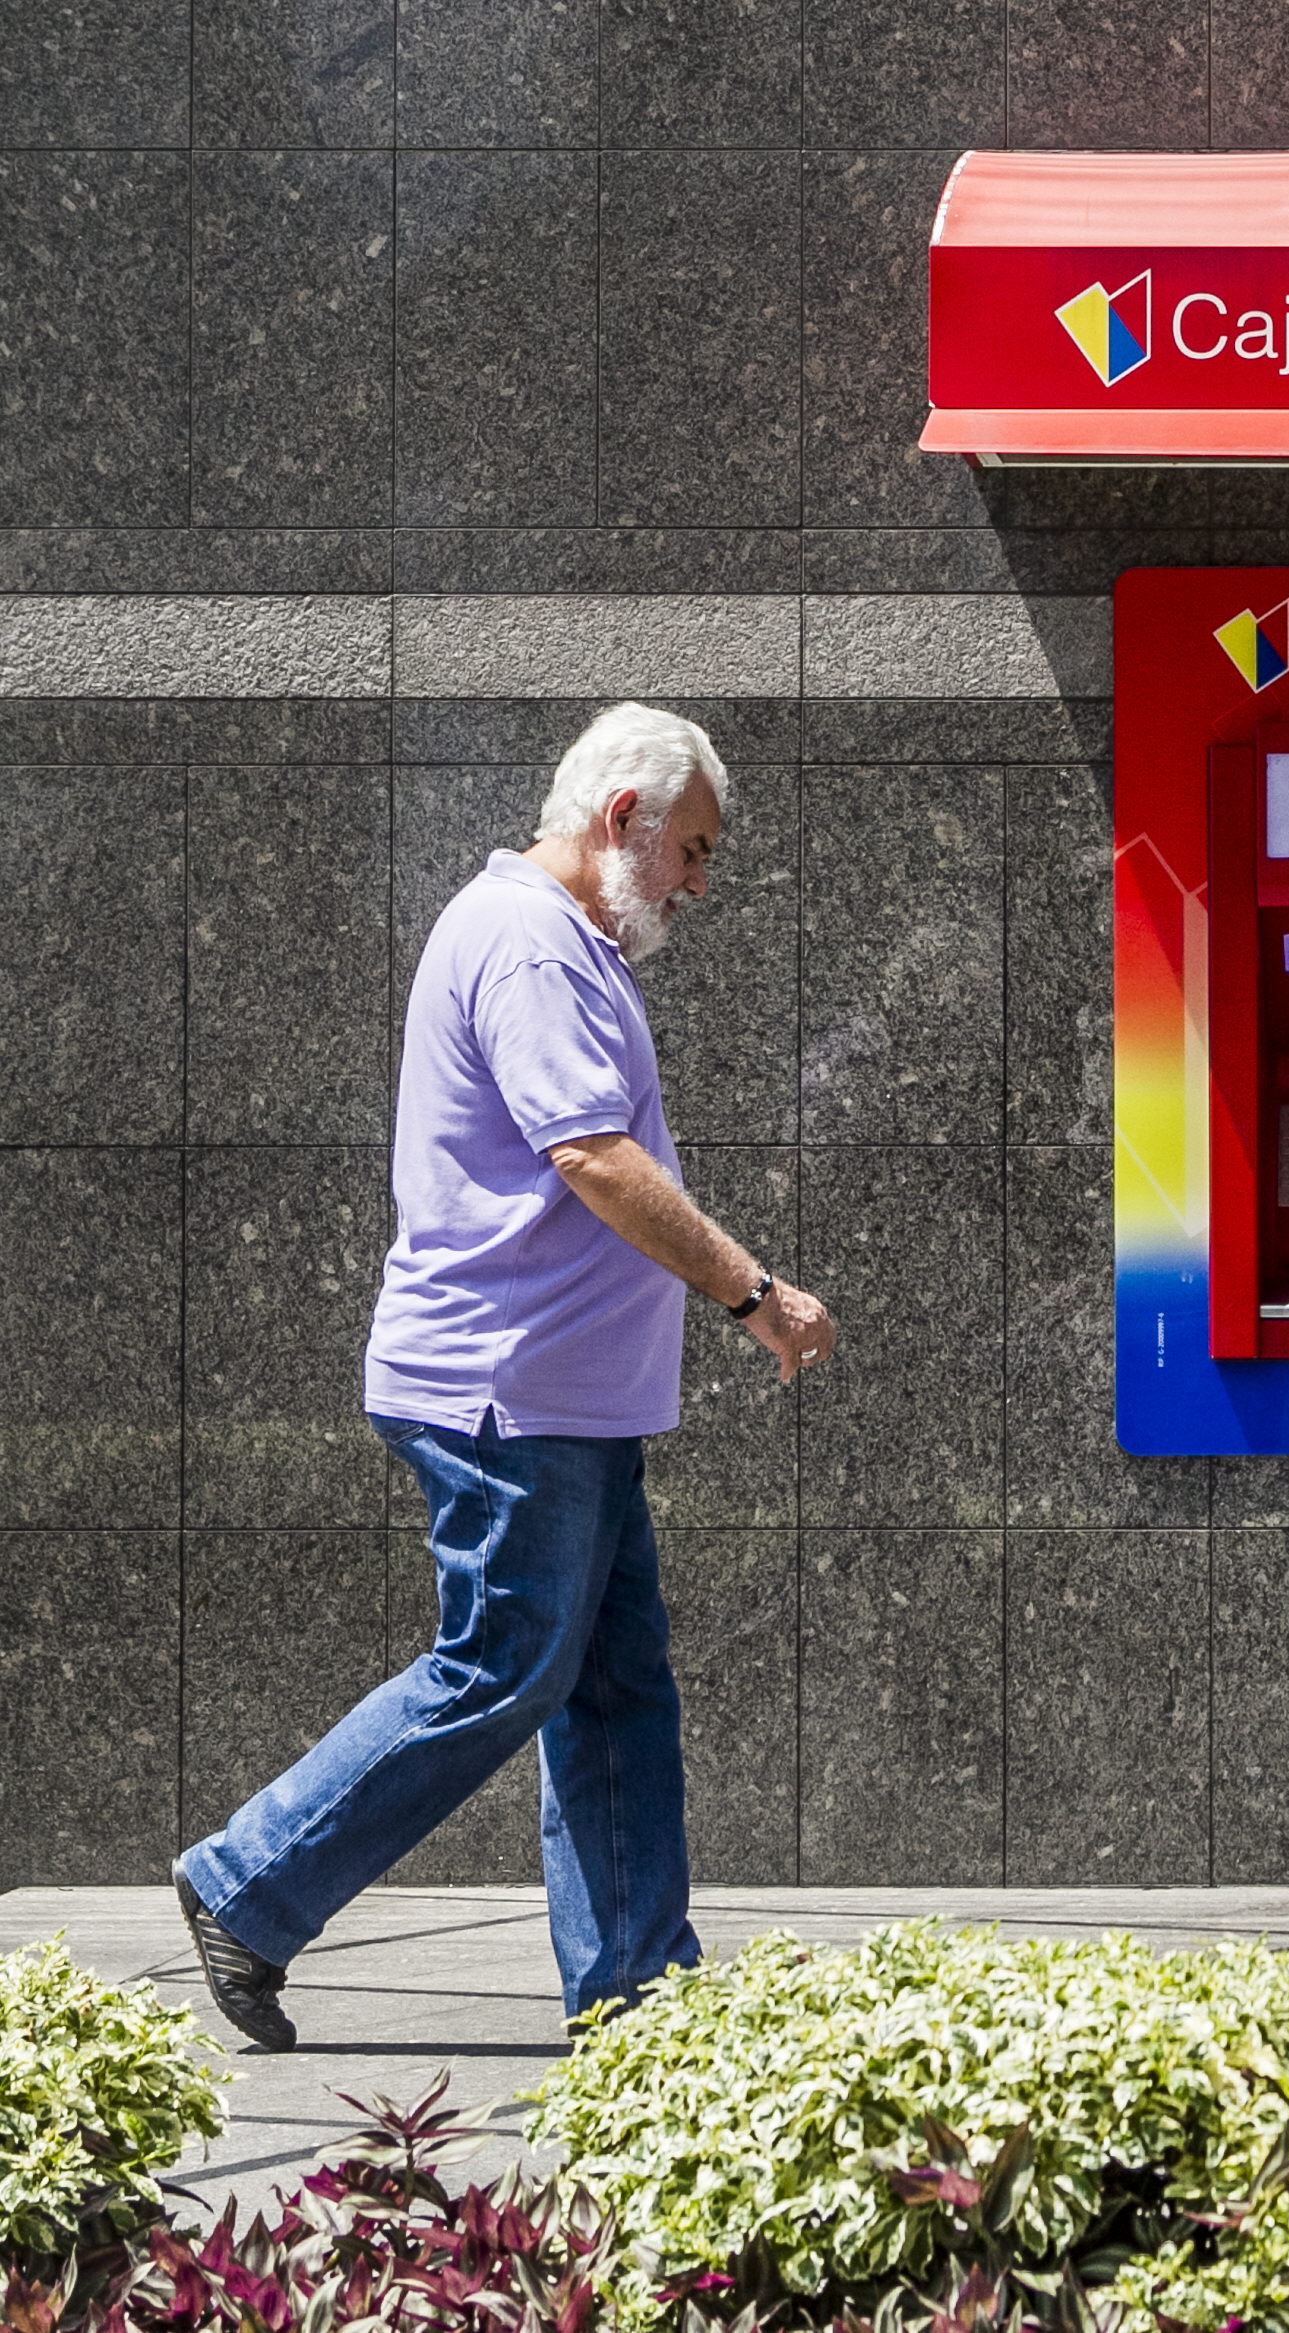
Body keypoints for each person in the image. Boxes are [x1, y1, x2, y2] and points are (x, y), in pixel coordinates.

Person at [172, 703, 837, 2050]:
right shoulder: (531, 943)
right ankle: (246, 1882)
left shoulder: (566, 943)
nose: (699, 885)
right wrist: (751, 1292)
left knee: (614, 1688)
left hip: (570, 1400)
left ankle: (639, 1991)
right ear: (618, 818)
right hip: (505, 1392)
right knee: (503, 1669)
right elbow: (589, 1153)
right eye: (691, 851)